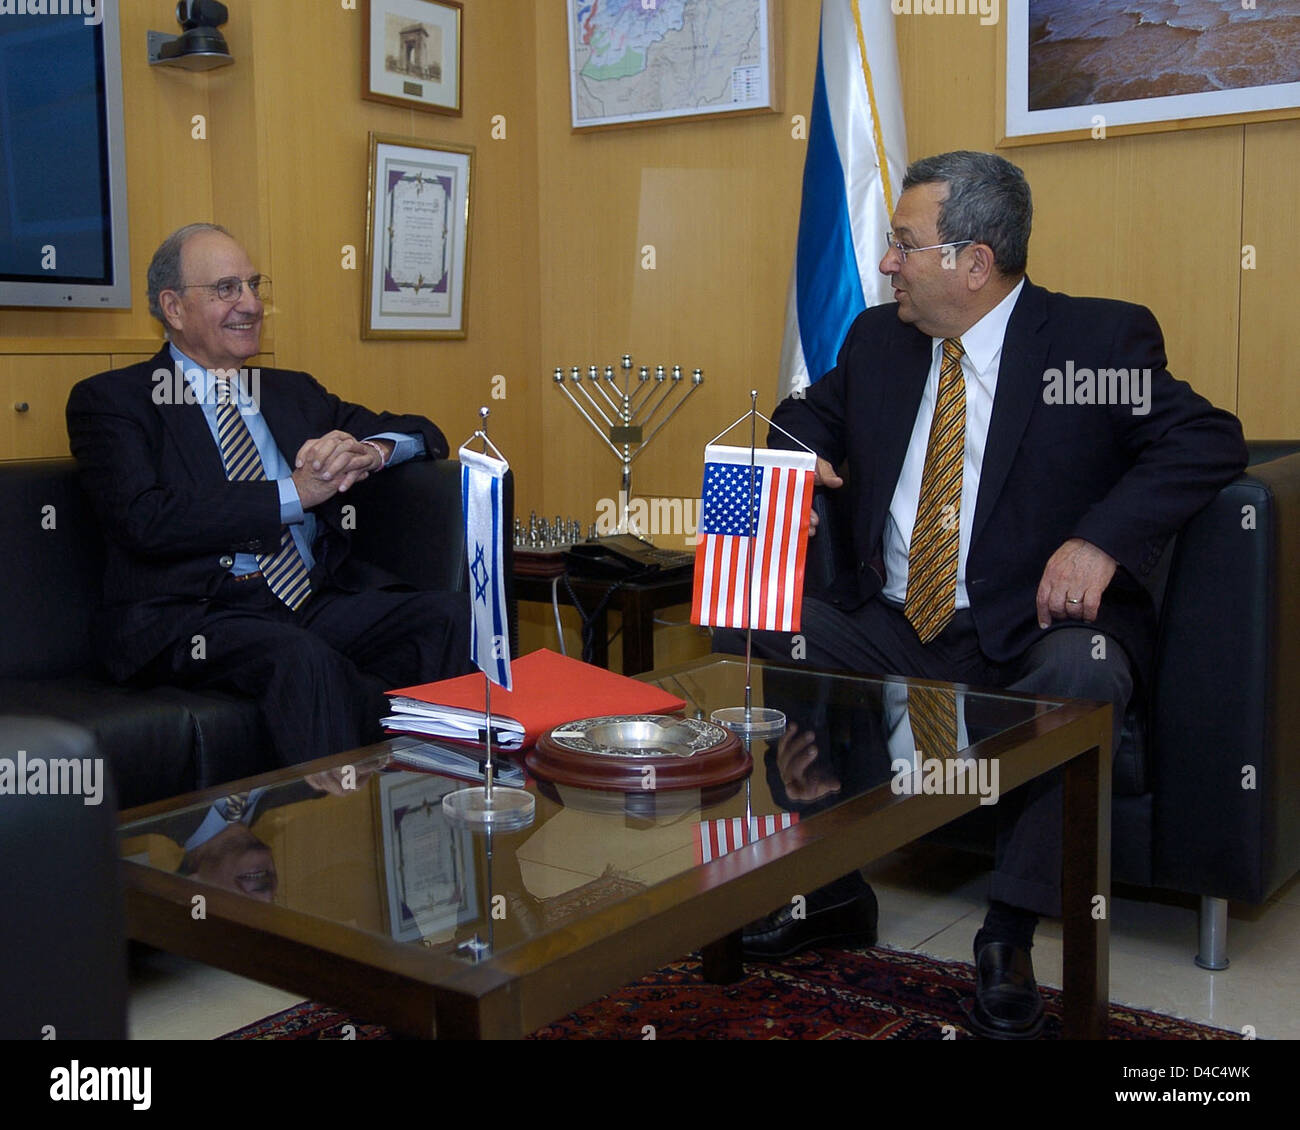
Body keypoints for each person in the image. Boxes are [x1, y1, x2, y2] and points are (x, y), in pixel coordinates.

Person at [733, 151, 1248, 1038]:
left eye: (904, 244)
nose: (887, 263)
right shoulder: (878, 341)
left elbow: (1207, 440)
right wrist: (787, 456)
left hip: (1027, 627)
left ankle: (1008, 934)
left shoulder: (1093, 346)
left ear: (973, 263)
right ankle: (830, 886)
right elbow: (805, 413)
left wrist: (1098, 541)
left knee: (1083, 669)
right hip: (891, 620)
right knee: (761, 617)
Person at [67, 223, 472, 769]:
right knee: (300, 659)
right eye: (227, 288)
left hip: (305, 598)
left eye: (255, 286)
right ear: (174, 307)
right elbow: (145, 519)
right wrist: (294, 493)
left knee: (450, 618)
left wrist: (369, 452)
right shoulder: (114, 401)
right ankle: (331, 834)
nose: (252, 305)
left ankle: (433, 801)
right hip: (195, 614)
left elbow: (421, 431)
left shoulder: (289, 392)